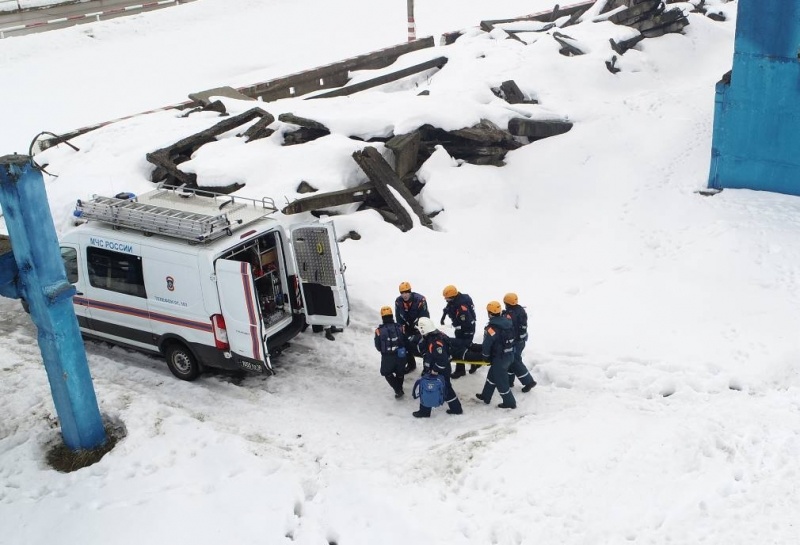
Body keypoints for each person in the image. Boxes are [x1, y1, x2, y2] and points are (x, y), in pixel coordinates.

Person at [412, 317, 463, 418]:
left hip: (438, 369)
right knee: (446, 387)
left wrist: (434, 370)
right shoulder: (436, 334)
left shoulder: (434, 343)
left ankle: (424, 412)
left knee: (427, 386)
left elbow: (442, 360)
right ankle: (456, 408)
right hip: (443, 368)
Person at [476, 301, 517, 409]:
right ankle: (486, 395)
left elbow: (487, 345)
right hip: (510, 355)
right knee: (492, 375)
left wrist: (485, 356)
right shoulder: (508, 322)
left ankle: (510, 403)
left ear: (489, 313)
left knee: (501, 381)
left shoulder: (491, 329)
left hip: (500, 358)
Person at [439, 284, 478, 379]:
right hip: (464, 328)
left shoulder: (461, 307)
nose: (445, 299)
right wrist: (443, 316)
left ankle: (461, 369)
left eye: (447, 298)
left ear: (452, 296)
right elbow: (449, 306)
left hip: (466, 329)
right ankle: (473, 363)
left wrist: (455, 326)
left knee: (462, 347)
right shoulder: (459, 298)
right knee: (466, 345)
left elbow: (465, 321)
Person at [504, 292, 536, 392]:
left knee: (515, 361)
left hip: (515, 342)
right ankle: (509, 381)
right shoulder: (520, 310)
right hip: (521, 341)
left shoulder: (510, 314)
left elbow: (508, 327)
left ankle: (528, 381)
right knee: (511, 361)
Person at [394, 281, 429, 373]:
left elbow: (425, 317)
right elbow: (398, 317)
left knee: (424, 346)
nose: (404, 295)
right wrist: (401, 329)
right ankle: (411, 364)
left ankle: (427, 367)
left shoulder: (420, 300)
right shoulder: (398, 302)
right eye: (402, 293)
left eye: (406, 292)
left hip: (420, 327)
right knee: (404, 344)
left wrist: (420, 328)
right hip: (408, 327)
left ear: (410, 291)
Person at [374, 306, 406, 399]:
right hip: (401, 353)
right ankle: (399, 388)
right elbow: (405, 340)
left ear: (382, 317)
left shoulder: (379, 330)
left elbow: (378, 346)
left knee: (386, 372)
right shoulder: (401, 327)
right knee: (400, 372)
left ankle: (398, 390)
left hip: (388, 355)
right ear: (392, 316)